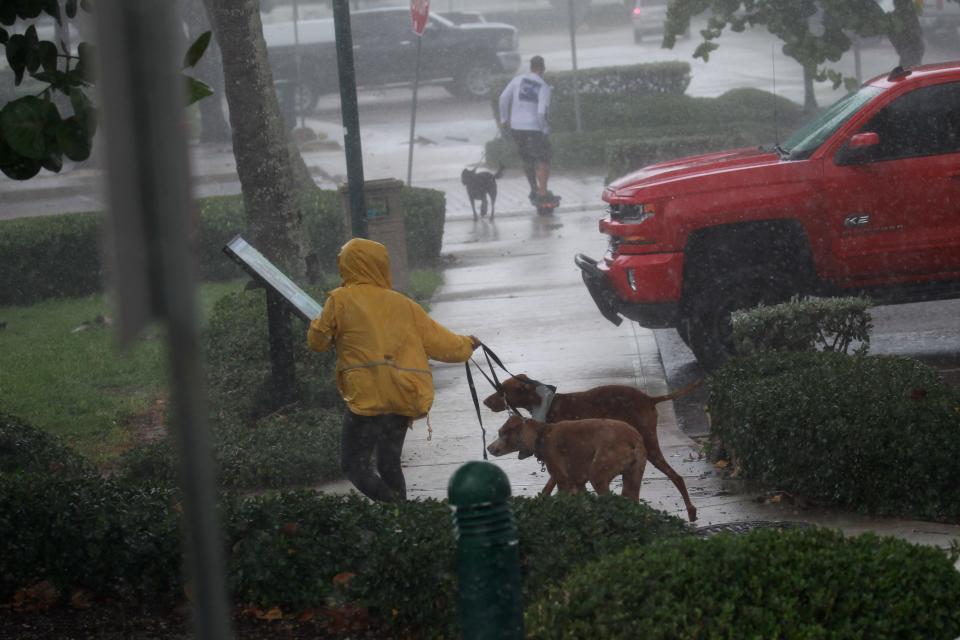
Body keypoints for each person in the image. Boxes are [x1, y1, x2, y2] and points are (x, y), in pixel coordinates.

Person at [307, 238, 480, 502]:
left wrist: (324, 326)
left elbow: (317, 342)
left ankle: (397, 509)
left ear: (348, 265)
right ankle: (404, 521)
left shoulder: (340, 299)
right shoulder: (403, 304)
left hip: (367, 399)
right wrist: (468, 343)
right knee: (389, 463)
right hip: (403, 394)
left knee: (354, 465)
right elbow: (444, 345)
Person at [498, 55, 556, 205]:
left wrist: (504, 120)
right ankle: (543, 193)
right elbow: (542, 113)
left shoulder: (517, 80)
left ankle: (533, 189)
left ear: (531, 67)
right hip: (535, 128)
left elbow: (503, 98)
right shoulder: (543, 86)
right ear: (542, 68)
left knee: (527, 158)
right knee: (544, 158)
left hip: (517, 127)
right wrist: (544, 129)